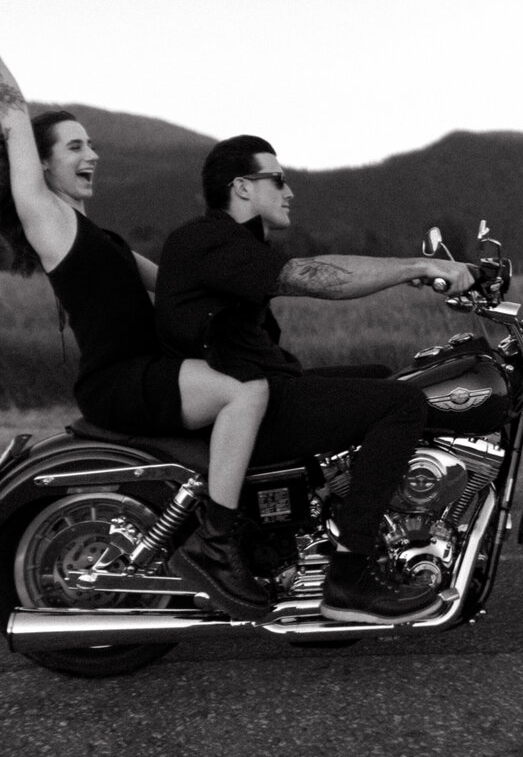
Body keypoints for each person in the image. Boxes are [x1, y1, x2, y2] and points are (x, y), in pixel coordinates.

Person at [0, 0, 271, 620]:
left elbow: (171, 285)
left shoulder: (99, 236)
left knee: (261, 381)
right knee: (244, 393)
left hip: (151, 368)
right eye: (74, 147)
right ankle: (221, 543)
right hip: (122, 380)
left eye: (90, 144)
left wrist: (255, 280)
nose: (92, 154)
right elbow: (11, 109)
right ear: (43, 167)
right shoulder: (47, 218)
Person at [155, 135, 476, 624]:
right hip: (249, 404)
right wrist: (416, 265)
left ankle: (333, 526)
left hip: (265, 387)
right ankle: (348, 578)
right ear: (241, 187)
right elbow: (313, 276)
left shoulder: (233, 243)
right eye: (278, 180)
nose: (289, 192)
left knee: (378, 378)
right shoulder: (212, 241)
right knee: (401, 403)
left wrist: (406, 272)